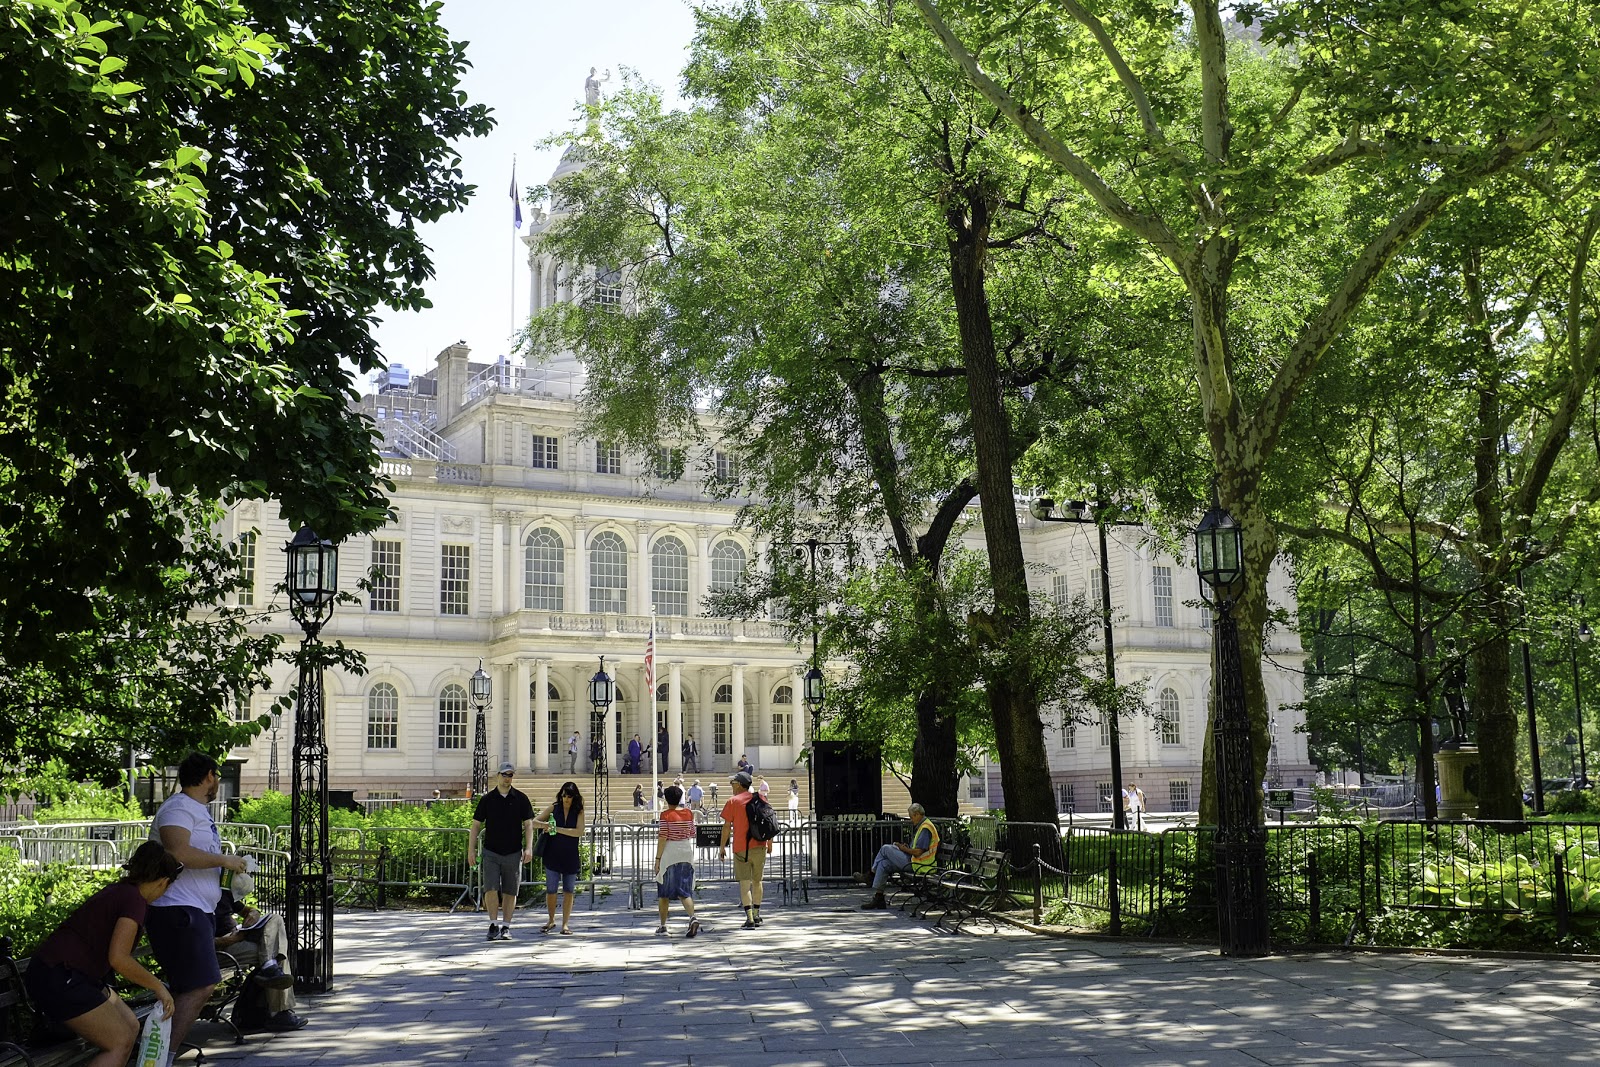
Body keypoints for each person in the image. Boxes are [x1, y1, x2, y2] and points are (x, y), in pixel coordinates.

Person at [22, 841, 179, 1067]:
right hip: (60, 976)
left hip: (68, 975)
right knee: (120, 1040)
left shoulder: (123, 891)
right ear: (164, 882)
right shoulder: (134, 901)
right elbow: (119, 959)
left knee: (131, 1025)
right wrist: (159, 987)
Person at [146, 752, 250, 1051]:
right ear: (208, 776)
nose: (217, 782)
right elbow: (178, 851)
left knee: (191, 986)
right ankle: (163, 1054)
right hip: (178, 911)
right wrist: (226, 861)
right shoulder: (178, 808)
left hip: (195, 911)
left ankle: (158, 1051)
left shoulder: (195, 809)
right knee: (202, 984)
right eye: (216, 776)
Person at [212, 876, 304, 1031]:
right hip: (222, 948)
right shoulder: (198, 897)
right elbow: (201, 942)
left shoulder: (221, 890)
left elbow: (243, 909)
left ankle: (269, 966)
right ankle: (279, 1012)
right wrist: (228, 940)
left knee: (275, 919)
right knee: (276, 953)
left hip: (238, 938)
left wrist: (253, 912)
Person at [468, 762, 536, 941]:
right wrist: (471, 851)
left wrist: (529, 847)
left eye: (511, 775)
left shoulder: (520, 798)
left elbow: (528, 824)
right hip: (491, 851)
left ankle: (506, 926)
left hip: (513, 851)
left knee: (510, 891)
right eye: (505, 774)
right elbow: (476, 825)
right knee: (490, 888)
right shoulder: (487, 799)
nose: (507, 778)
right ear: (497, 775)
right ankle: (493, 924)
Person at [857, 803, 941, 910]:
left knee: (885, 849)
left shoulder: (925, 828)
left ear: (917, 814)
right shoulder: (923, 826)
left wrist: (903, 849)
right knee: (884, 864)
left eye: (911, 817)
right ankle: (879, 898)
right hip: (916, 862)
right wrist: (905, 847)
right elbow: (917, 849)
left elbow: (918, 852)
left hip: (919, 865)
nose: (911, 820)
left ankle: (870, 875)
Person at [717, 771, 767, 929]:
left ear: (739, 784)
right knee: (758, 881)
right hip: (760, 845)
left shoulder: (733, 801)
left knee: (745, 884)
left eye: (733, 783)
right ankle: (758, 914)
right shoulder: (761, 798)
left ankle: (750, 918)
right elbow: (768, 821)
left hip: (741, 848)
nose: (731, 786)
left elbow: (726, 827)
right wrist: (769, 843)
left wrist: (722, 846)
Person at [537, 782, 587, 935]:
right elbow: (533, 822)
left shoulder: (578, 811)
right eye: (564, 795)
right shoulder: (554, 808)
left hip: (570, 855)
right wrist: (545, 825)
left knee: (568, 890)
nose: (566, 799)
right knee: (551, 890)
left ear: (574, 797)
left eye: (569, 796)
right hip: (552, 854)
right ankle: (551, 920)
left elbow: (579, 832)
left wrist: (557, 829)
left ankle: (565, 924)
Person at [654, 784, 701, 937]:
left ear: (667, 799)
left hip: (670, 853)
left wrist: (657, 859)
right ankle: (692, 917)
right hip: (686, 851)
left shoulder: (665, 815)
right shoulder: (688, 813)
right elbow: (692, 832)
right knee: (684, 890)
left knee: (664, 891)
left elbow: (663, 837)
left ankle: (662, 925)